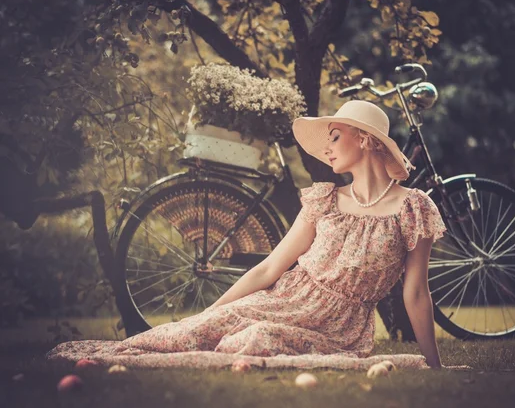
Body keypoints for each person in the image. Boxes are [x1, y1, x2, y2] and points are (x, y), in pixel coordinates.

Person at [46, 100, 466, 371]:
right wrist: (209, 312)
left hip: (339, 328)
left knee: (252, 340)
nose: (328, 148)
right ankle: (111, 356)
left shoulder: (413, 208)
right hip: (282, 299)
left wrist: (435, 366)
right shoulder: (323, 199)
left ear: (367, 139)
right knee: (193, 332)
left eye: (335, 137)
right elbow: (270, 267)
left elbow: (416, 294)